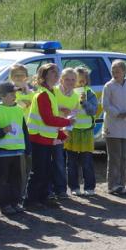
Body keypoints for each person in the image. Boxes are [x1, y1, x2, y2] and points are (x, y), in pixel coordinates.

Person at [24, 64, 74, 208]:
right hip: (38, 138)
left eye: (57, 72)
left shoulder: (50, 92)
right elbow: (47, 119)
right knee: (39, 170)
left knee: (46, 170)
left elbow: (49, 119)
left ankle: (43, 197)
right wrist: (67, 121)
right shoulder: (43, 94)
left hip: (46, 137)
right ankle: (31, 200)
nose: (56, 75)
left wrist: (60, 133)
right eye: (53, 73)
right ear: (44, 76)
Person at [0, 82, 32, 215]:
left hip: (18, 152)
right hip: (3, 153)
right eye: (11, 93)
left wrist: (27, 148)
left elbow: (24, 130)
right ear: (2, 96)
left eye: (15, 93)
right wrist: (3, 130)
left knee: (17, 178)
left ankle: (15, 202)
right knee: (3, 180)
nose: (14, 96)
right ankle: (5, 204)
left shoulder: (18, 109)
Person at [102, 59, 126, 195]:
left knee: (123, 157)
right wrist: (118, 114)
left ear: (124, 72)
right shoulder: (108, 86)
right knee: (114, 156)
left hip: (125, 125)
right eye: (113, 71)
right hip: (112, 125)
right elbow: (105, 105)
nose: (115, 74)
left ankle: (121, 184)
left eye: (118, 71)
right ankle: (113, 184)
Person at [65, 67, 98, 196]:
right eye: (77, 80)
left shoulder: (90, 94)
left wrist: (84, 102)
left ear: (86, 81)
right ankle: (74, 187)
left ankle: (89, 187)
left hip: (86, 132)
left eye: (83, 81)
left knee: (87, 161)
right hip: (72, 131)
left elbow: (93, 111)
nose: (80, 83)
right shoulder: (68, 93)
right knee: (71, 162)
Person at [51, 68, 80, 199]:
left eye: (73, 79)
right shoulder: (54, 91)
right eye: (67, 79)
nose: (70, 82)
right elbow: (47, 108)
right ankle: (48, 189)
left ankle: (61, 190)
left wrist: (67, 132)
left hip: (61, 134)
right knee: (47, 162)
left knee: (59, 161)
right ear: (61, 80)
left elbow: (73, 116)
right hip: (48, 131)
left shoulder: (75, 97)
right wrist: (60, 109)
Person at [9, 63, 34, 194]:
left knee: (29, 165)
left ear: (26, 77)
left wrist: (27, 94)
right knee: (18, 166)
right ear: (11, 77)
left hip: (30, 131)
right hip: (16, 133)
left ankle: (25, 193)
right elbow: (16, 105)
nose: (19, 78)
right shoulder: (10, 93)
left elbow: (33, 102)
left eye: (22, 75)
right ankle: (18, 193)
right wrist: (24, 101)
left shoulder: (31, 92)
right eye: (16, 76)